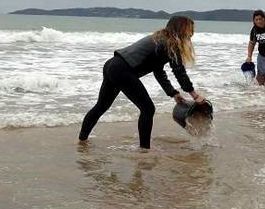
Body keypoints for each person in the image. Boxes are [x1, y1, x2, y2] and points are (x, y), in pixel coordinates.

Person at [78, 15, 206, 149]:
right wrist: (194, 95)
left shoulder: (161, 39)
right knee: (148, 108)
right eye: (190, 29)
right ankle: (144, 150)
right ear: (181, 29)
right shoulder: (169, 43)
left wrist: (173, 93)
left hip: (112, 65)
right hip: (121, 70)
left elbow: (158, 70)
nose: (191, 33)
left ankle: (81, 141)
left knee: (101, 106)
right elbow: (179, 72)